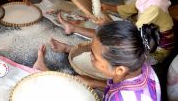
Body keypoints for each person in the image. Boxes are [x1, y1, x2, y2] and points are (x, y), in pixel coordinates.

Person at [57, 0, 174, 65]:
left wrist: (109, 24)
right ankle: (73, 28)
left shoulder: (155, 7)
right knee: (109, 32)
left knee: (113, 44)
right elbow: (131, 8)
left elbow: (131, 37)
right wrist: (107, 7)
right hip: (145, 33)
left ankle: (71, 48)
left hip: (155, 49)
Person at [33, 21, 161, 101]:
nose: (90, 56)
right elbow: (118, 84)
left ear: (120, 70)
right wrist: (94, 82)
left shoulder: (122, 98)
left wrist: (50, 76)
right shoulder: (141, 65)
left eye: (94, 55)